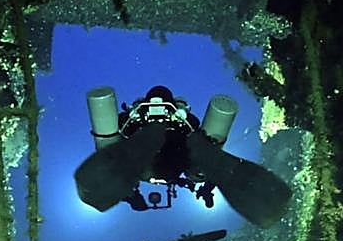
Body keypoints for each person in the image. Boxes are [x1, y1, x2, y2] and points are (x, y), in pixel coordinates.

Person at [74, 85, 292, 228]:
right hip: (178, 156)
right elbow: (203, 152)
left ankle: (191, 162)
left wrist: (130, 197)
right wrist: (207, 183)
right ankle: (263, 200)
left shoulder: (131, 123)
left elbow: (113, 156)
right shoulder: (187, 124)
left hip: (148, 155)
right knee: (200, 158)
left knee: (184, 156)